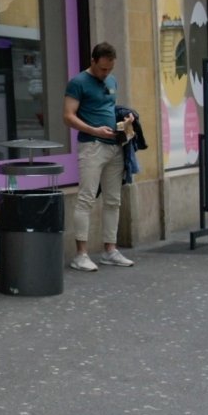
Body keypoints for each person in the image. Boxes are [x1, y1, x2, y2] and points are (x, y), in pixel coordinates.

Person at [64, 42, 133, 271]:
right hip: (92, 145)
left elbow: (109, 108)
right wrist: (94, 130)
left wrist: (126, 120)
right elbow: (68, 116)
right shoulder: (78, 83)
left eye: (110, 69)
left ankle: (109, 250)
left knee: (114, 200)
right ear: (92, 61)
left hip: (114, 144)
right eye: (103, 69)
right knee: (86, 198)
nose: (106, 74)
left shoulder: (111, 81)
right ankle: (81, 254)